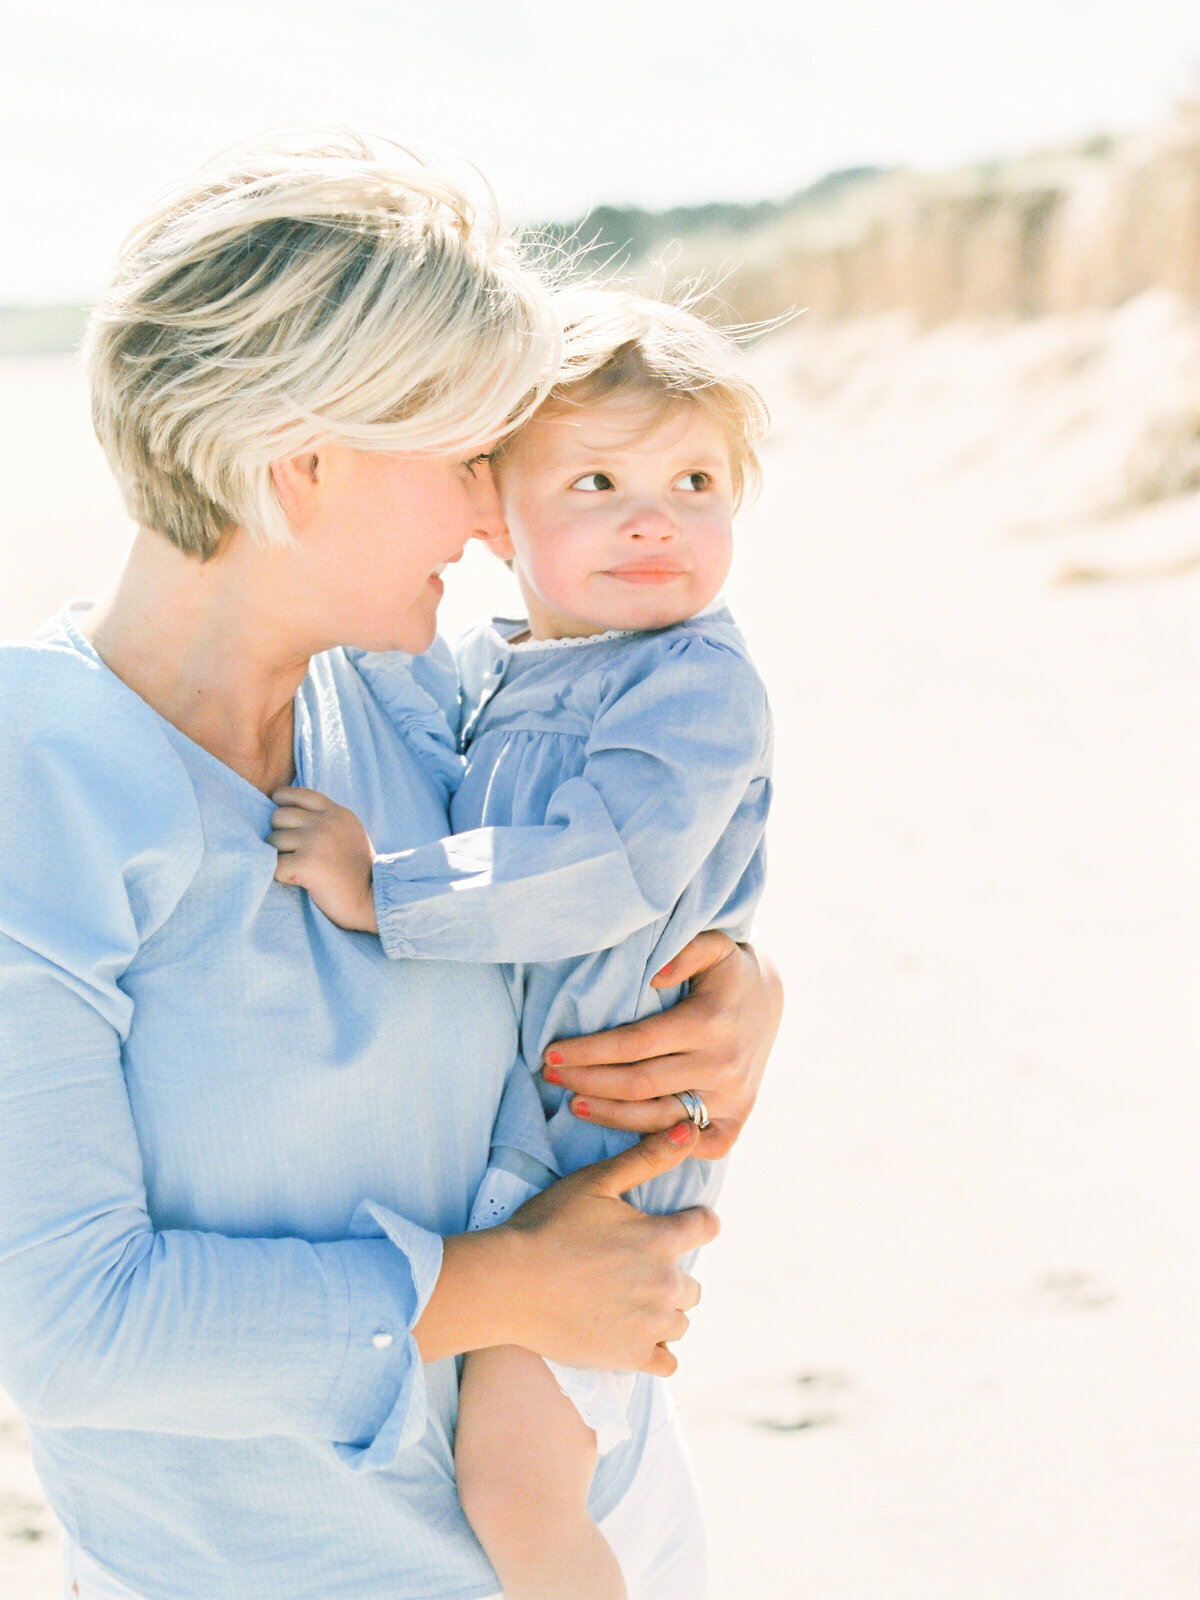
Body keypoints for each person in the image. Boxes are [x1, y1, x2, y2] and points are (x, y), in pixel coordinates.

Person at [0, 131, 782, 1600]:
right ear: (304, 468)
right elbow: (67, 1331)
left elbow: (603, 886)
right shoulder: (34, 792)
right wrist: (497, 1288)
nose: (501, 522)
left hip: (607, 1522)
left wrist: (738, 992)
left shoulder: (411, 694)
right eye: (471, 465)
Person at [270, 287, 772, 1600]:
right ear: (494, 510)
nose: (654, 516)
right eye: (597, 480)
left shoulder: (693, 684)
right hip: (535, 1125)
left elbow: (605, 866)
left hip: (607, 1141)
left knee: (514, 1481)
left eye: (697, 479)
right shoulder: (502, 671)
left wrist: (389, 892)